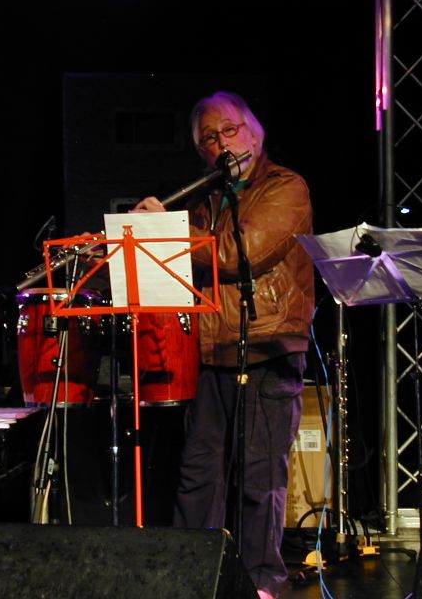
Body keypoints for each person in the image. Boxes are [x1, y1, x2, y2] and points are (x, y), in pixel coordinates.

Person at [133, 90, 314, 598]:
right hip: (212, 352)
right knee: (199, 473)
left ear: (253, 131)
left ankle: (261, 584)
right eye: (209, 139)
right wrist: (150, 232)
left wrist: (167, 233)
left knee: (259, 476)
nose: (221, 143)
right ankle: (190, 578)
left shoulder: (286, 186)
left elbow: (242, 253)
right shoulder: (206, 200)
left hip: (269, 347)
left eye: (229, 130)